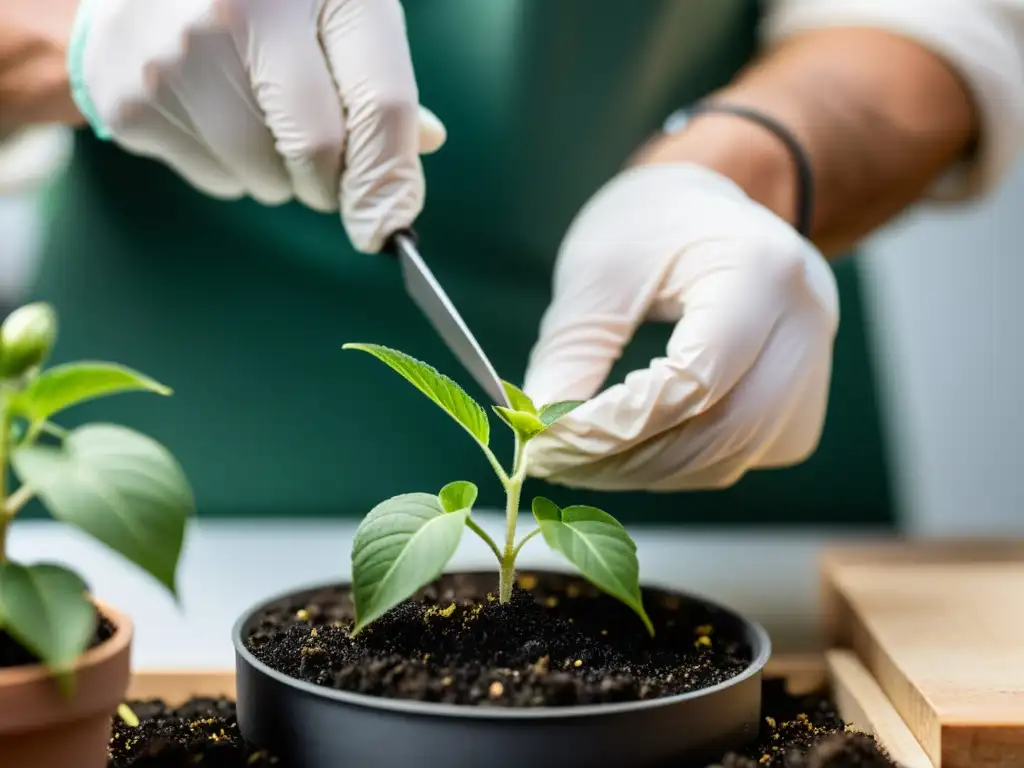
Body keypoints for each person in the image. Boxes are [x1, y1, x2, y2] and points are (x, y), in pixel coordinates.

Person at [2, 0, 1022, 529]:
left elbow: (926, 26)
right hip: (201, 381)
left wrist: (736, 173)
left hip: (709, 367)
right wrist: (84, 31)